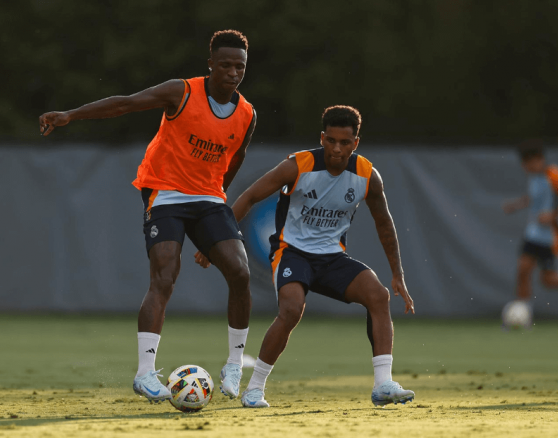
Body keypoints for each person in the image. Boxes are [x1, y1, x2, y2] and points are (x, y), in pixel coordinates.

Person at [39, 30, 257, 403]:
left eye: (239, 66)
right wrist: (70, 116)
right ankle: (144, 374)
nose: (233, 72)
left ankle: (235, 363)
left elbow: (232, 161)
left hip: (208, 198)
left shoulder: (247, 114)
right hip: (166, 192)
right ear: (210, 65)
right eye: (225, 65)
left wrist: (218, 204)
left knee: (240, 271)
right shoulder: (182, 92)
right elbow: (125, 103)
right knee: (165, 275)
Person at [195, 105, 415, 408]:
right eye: (331, 141)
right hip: (292, 253)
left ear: (356, 143)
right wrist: (214, 243)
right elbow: (249, 197)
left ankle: (383, 385)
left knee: (378, 294)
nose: (337, 149)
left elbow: (385, 224)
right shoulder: (298, 165)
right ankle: (255, 388)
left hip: (332, 258)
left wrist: (397, 273)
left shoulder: (367, 175)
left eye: (345, 143)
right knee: (292, 309)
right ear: (322, 138)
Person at [502, 141, 558, 311]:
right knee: (523, 270)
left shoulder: (554, 175)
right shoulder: (534, 177)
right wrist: (516, 205)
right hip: (534, 233)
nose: (526, 166)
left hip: (553, 235)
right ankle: (523, 313)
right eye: (524, 163)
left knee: (549, 280)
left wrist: (553, 215)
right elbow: (535, 197)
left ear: (540, 159)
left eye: (530, 162)